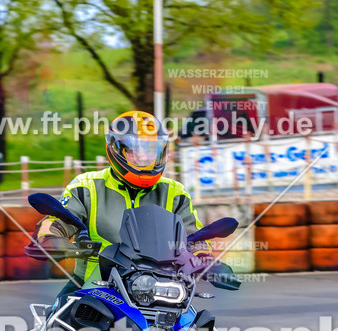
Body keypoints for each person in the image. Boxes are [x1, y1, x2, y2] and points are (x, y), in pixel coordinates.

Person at [35, 110, 210, 301]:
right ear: (115, 148)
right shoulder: (86, 187)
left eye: (152, 151)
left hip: (159, 291)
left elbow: (194, 236)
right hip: (94, 288)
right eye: (136, 151)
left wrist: (205, 256)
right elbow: (60, 220)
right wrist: (50, 237)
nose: (144, 159)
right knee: (60, 324)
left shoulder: (176, 193)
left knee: (195, 325)